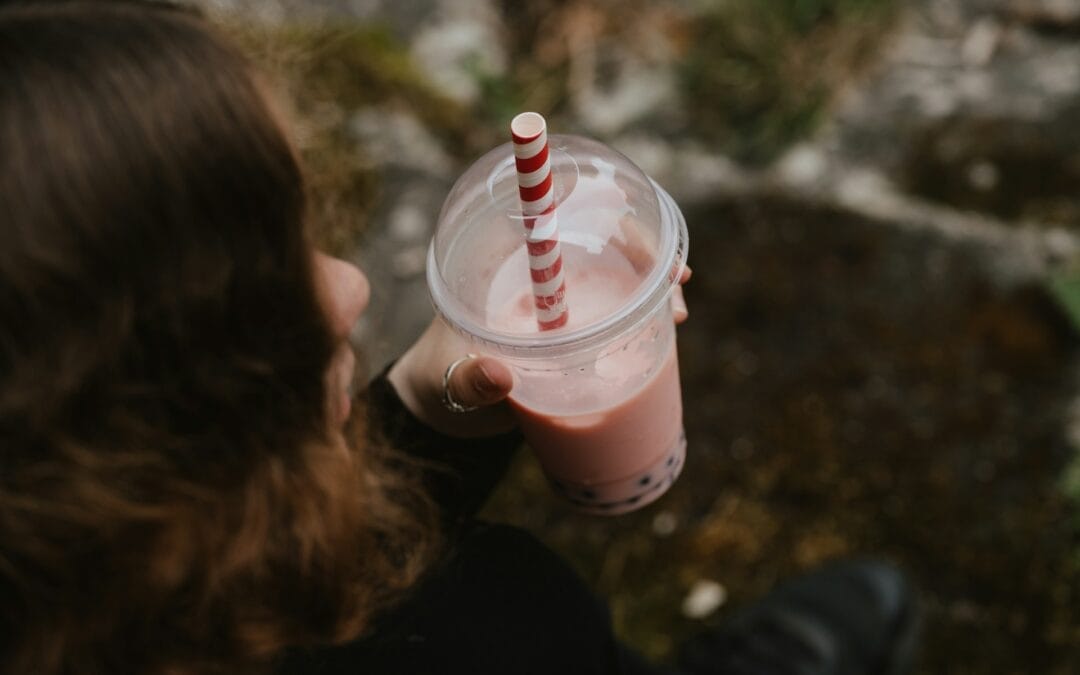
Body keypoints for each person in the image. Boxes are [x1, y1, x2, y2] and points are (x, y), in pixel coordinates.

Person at [0, 2, 919, 674]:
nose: (353, 286)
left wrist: (422, 411)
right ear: (106, 452)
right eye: (261, 288)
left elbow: (327, 533)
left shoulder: (173, 571)